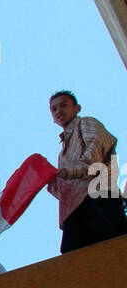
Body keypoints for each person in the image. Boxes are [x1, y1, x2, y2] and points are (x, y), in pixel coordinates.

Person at [46, 91, 127, 253]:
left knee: (116, 244)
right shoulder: (62, 153)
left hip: (99, 194)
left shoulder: (86, 123)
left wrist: (68, 173)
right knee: (75, 257)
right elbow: (65, 189)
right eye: (53, 109)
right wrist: (51, 181)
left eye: (63, 105)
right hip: (75, 208)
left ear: (77, 108)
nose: (58, 111)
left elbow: (96, 150)